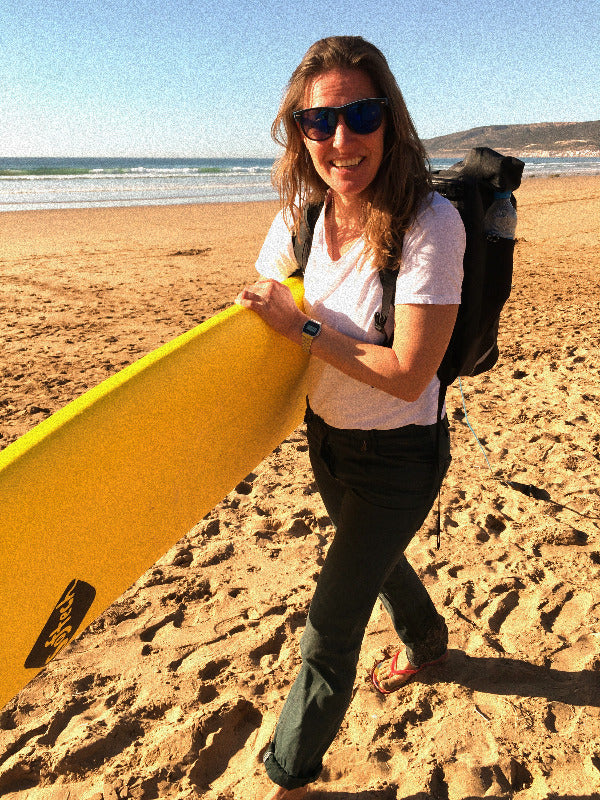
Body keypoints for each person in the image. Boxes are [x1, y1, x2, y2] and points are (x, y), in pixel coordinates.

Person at [235, 36, 466, 800]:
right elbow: (261, 315)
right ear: (298, 131)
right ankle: (428, 643)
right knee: (377, 559)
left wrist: (302, 328)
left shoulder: (429, 223)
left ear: (389, 119)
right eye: (319, 120)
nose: (341, 139)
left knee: (329, 628)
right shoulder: (299, 220)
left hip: (400, 455)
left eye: (360, 115)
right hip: (326, 440)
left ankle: (288, 777)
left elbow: (407, 375)